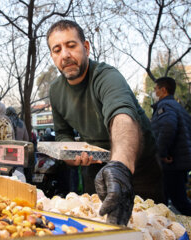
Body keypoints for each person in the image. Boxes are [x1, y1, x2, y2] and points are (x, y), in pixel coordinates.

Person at [47, 20, 163, 225]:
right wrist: (72, 156)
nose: (65, 55)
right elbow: (62, 134)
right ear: (53, 56)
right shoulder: (55, 91)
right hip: (96, 169)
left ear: (86, 47)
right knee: (100, 225)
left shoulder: (106, 76)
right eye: (57, 49)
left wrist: (120, 168)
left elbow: (122, 116)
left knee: (150, 226)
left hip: (137, 166)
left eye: (71, 45)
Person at [151, 77, 191, 216]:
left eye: (155, 89)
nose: (154, 92)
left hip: (172, 164)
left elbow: (168, 127)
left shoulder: (165, 107)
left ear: (163, 90)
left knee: (179, 202)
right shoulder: (178, 107)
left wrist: (161, 153)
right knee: (166, 201)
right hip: (180, 163)